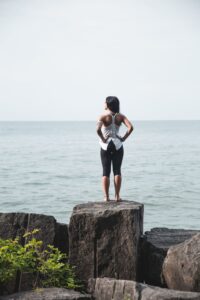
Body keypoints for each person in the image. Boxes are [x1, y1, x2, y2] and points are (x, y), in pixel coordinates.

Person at [96, 96, 134, 202]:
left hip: (106, 145)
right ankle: (117, 196)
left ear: (108, 104)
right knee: (117, 171)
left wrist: (103, 139)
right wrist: (124, 138)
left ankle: (106, 197)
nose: (103, 104)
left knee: (105, 172)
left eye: (105, 102)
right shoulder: (120, 116)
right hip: (118, 144)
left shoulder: (103, 116)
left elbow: (97, 129)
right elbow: (131, 128)